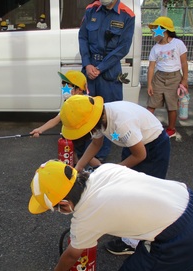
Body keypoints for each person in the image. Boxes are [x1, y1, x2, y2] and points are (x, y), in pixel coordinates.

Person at [28, 160, 193, 271]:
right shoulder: (104, 169)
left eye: (55, 208)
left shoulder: (86, 217)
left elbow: (71, 255)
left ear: (65, 204)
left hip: (180, 239)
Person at [59, 95, 171, 254]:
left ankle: (134, 242)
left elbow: (140, 155)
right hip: (133, 144)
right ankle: (130, 230)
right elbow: (96, 144)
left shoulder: (121, 122)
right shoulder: (97, 117)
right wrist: (78, 167)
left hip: (153, 148)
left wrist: (112, 171)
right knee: (128, 189)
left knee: (143, 194)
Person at [79, 0, 135, 160]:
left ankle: (100, 156)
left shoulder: (127, 15)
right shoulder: (91, 9)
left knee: (108, 114)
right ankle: (83, 153)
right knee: (86, 111)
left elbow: (123, 47)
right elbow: (82, 37)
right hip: (89, 68)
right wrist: (87, 63)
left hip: (109, 71)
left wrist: (100, 67)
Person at [30, 71, 102, 168]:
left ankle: (103, 171)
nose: (65, 89)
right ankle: (76, 171)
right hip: (76, 134)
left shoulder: (86, 101)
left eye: (68, 86)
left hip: (89, 134)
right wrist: (40, 129)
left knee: (88, 156)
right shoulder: (68, 103)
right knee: (73, 151)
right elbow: (56, 119)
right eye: (63, 85)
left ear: (80, 89)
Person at [147, 16, 189, 138]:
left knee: (172, 106)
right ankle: (147, 127)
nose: (153, 32)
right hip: (159, 77)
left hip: (174, 77)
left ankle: (171, 129)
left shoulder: (178, 43)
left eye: (155, 29)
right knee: (151, 104)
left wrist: (185, 79)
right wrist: (149, 84)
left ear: (164, 30)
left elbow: (184, 62)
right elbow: (151, 67)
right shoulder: (155, 47)